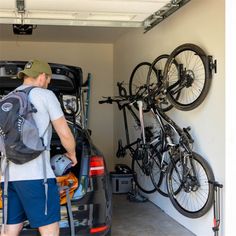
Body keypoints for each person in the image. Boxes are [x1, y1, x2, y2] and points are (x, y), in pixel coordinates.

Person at [1, 59, 77, 236]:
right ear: (42, 76)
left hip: (9, 177)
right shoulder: (45, 95)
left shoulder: (7, 98)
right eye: (49, 79)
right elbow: (64, 133)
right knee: (50, 229)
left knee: (10, 229)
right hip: (37, 177)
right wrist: (72, 154)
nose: (48, 83)